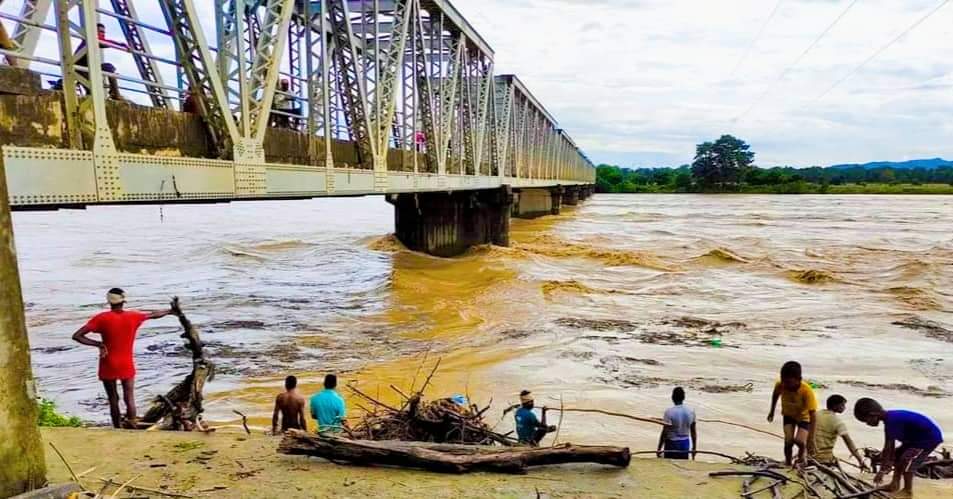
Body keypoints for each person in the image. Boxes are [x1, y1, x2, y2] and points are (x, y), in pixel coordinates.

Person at [71, 288, 177, 428]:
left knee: (113, 398)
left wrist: (99, 344)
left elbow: (77, 336)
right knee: (129, 397)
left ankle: (117, 427)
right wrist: (170, 311)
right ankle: (132, 423)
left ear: (109, 302)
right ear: (123, 301)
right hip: (126, 362)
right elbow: (153, 315)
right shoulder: (133, 316)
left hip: (108, 362)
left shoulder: (101, 318)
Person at [854, 398, 944, 498]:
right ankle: (894, 484)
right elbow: (890, 449)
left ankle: (908, 491)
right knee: (898, 456)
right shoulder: (890, 419)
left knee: (907, 461)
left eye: (866, 421)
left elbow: (888, 448)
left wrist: (882, 471)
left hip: (927, 440)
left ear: (872, 415)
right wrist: (885, 463)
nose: (868, 424)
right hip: (914, 439)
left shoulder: (892, 421)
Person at [767, 361, 818, 466]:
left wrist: (811, 438)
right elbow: (775, 395)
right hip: (788, 415)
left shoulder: (807, 391)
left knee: (799, 441)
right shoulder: (780, 385)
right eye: (784, 382)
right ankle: (788, 462)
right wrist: (772, 411)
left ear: (799, 379)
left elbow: (813, 414)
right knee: (788, 441)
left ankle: (801, 456)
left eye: (789, 383)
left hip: (803, 418)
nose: (786, 385)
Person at [73, 23, 127, 100]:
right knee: (92, 91)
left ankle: (115, 93)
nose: (103, 34)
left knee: (108, 67)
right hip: (80, 70)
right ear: (94, 32)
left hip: (89, 68)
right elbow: (104, 43)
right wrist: (120, 45)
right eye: (101, 31)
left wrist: (121, 45)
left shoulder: (95, 41)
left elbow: (104, 42)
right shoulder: (89, 40)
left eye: (104, 32)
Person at [814, 394, 865, 469]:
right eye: (842, 405)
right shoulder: (837, 422)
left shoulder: (816, 414)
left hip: (809, 455)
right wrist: (860, 460)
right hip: (824, 459)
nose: (844, 407)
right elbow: (849, 442)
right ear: (835, 406)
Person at [656, 387, 697, 460]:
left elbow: (665, 432)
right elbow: (693, 432)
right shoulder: (691, 411)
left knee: (669, 464)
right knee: (682, 465)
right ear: (683, 397)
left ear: (672, 397)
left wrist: (659, 448)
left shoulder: (669, 412)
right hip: (685, 444)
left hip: (671, 444)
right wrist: (694, 448)